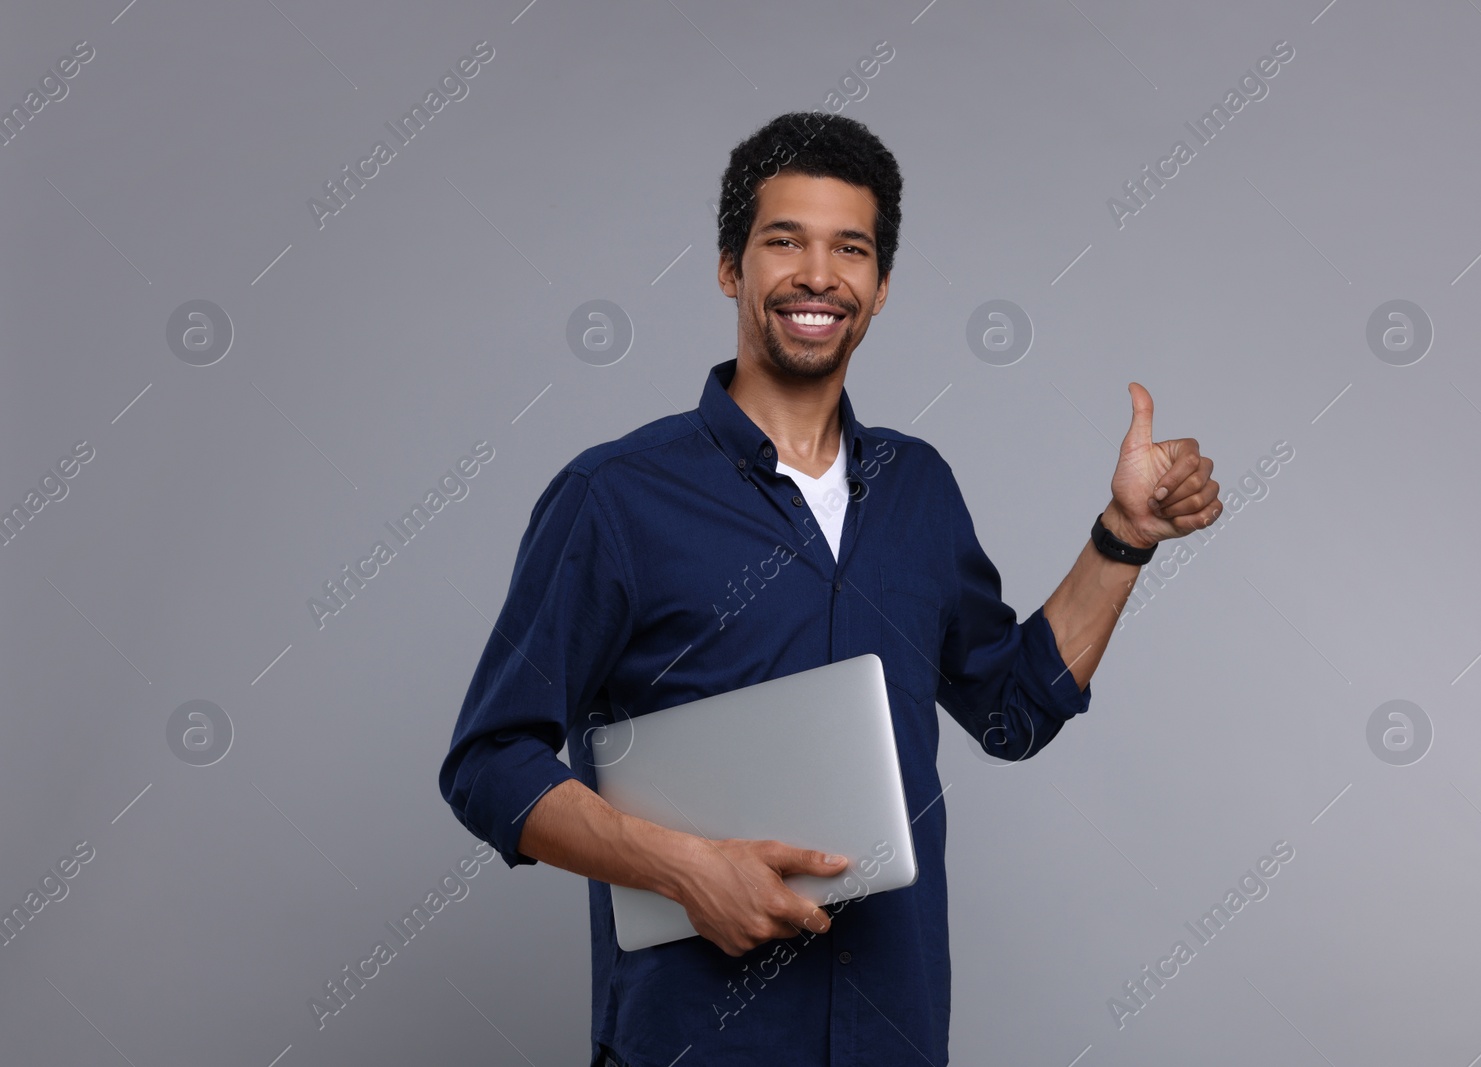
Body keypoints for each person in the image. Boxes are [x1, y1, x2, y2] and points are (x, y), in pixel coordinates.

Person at [439, 111, 1220, 1067]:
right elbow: (489, 762)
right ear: (731, 267)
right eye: (785, 241)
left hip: (892, 1032)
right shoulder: (615, 498)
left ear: (881, 286)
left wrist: (1124, 537)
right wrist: (687, 869)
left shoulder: (919, 487)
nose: (819, 275)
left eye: (849, 248)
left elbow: (1011, 710)